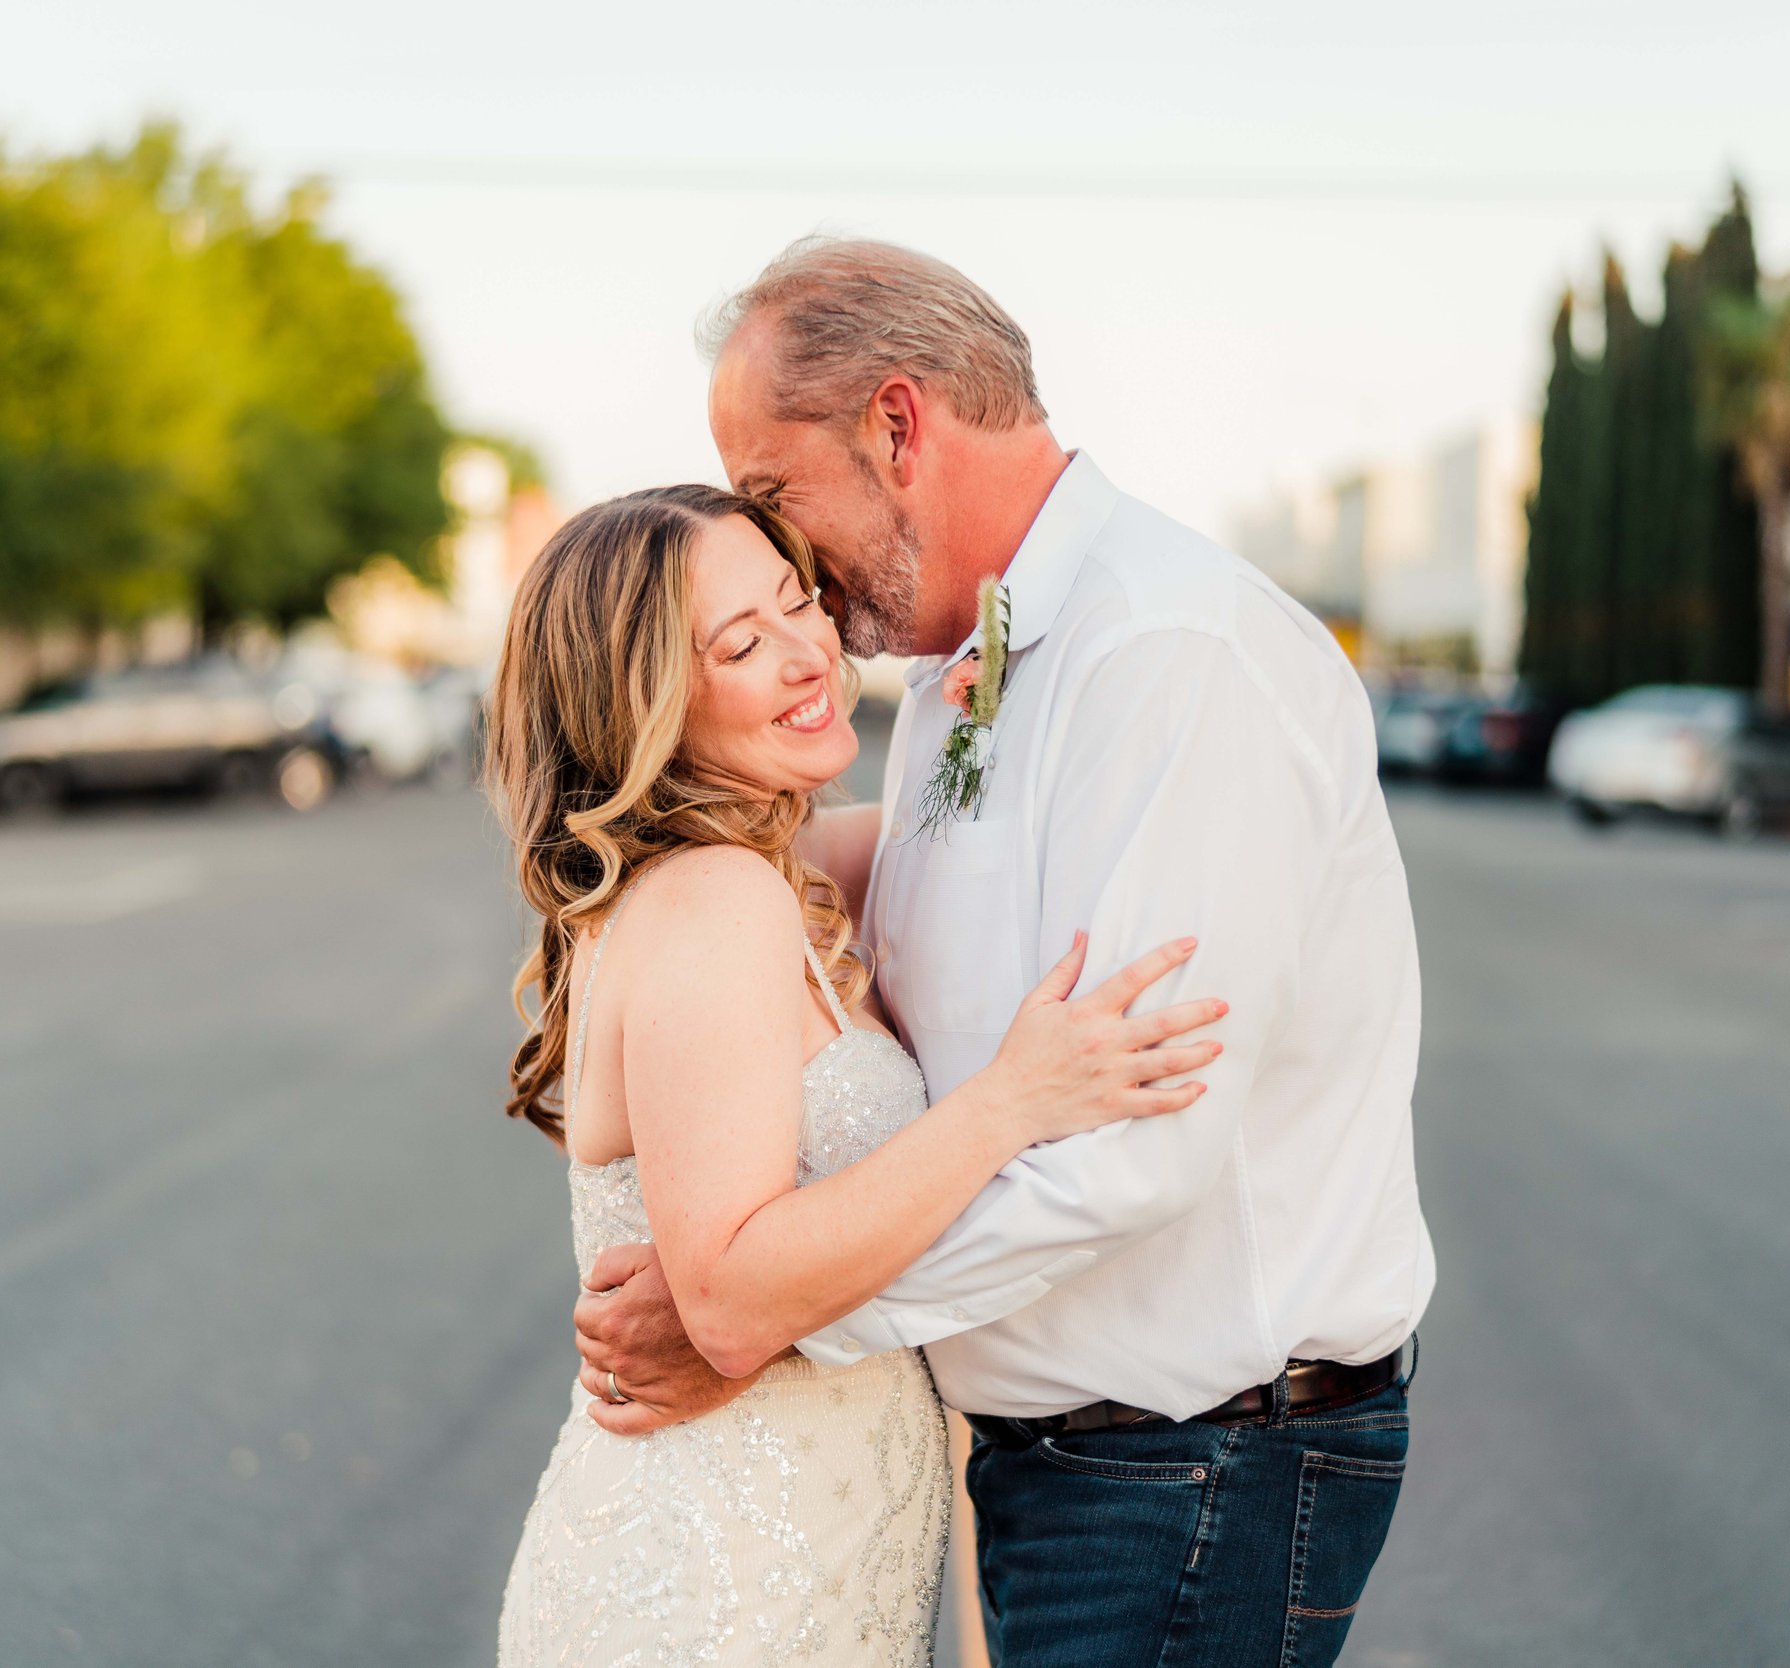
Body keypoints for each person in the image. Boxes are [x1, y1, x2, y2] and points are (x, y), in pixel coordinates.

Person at [573, 239, 1435, 1668]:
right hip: (1071, 1466)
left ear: (898, 427)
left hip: (1196, 1472)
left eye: (776, 496)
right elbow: (868, 908)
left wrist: (773, 1322)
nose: (785, 557)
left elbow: (1131, 1153)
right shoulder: (963, 666)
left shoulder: (1166, 654)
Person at [486, 485, 1228, 1665]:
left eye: (798, 604)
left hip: (807, 1563)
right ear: (646, 705)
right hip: (718, 1590)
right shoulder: (715, 899)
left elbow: (969, 829)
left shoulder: (782, 871)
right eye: (740, 645)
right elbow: (724, 1294)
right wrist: (1012, 1102)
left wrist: (994, 676)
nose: (806, 655)